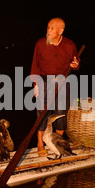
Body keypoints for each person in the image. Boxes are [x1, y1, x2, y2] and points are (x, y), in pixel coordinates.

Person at [30, 17, 80, 156]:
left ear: (60, 30)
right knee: (42, 113)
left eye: (52, 28)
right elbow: (35, 65)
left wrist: (75, 65)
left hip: (63, 83)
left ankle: (58, 143)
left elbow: (75, 62)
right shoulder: (41, 44)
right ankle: (40, 144)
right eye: (48, 27)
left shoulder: (69, 45)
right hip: (44, 81)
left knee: (61, 114)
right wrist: (35, 84)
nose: (48, 30)